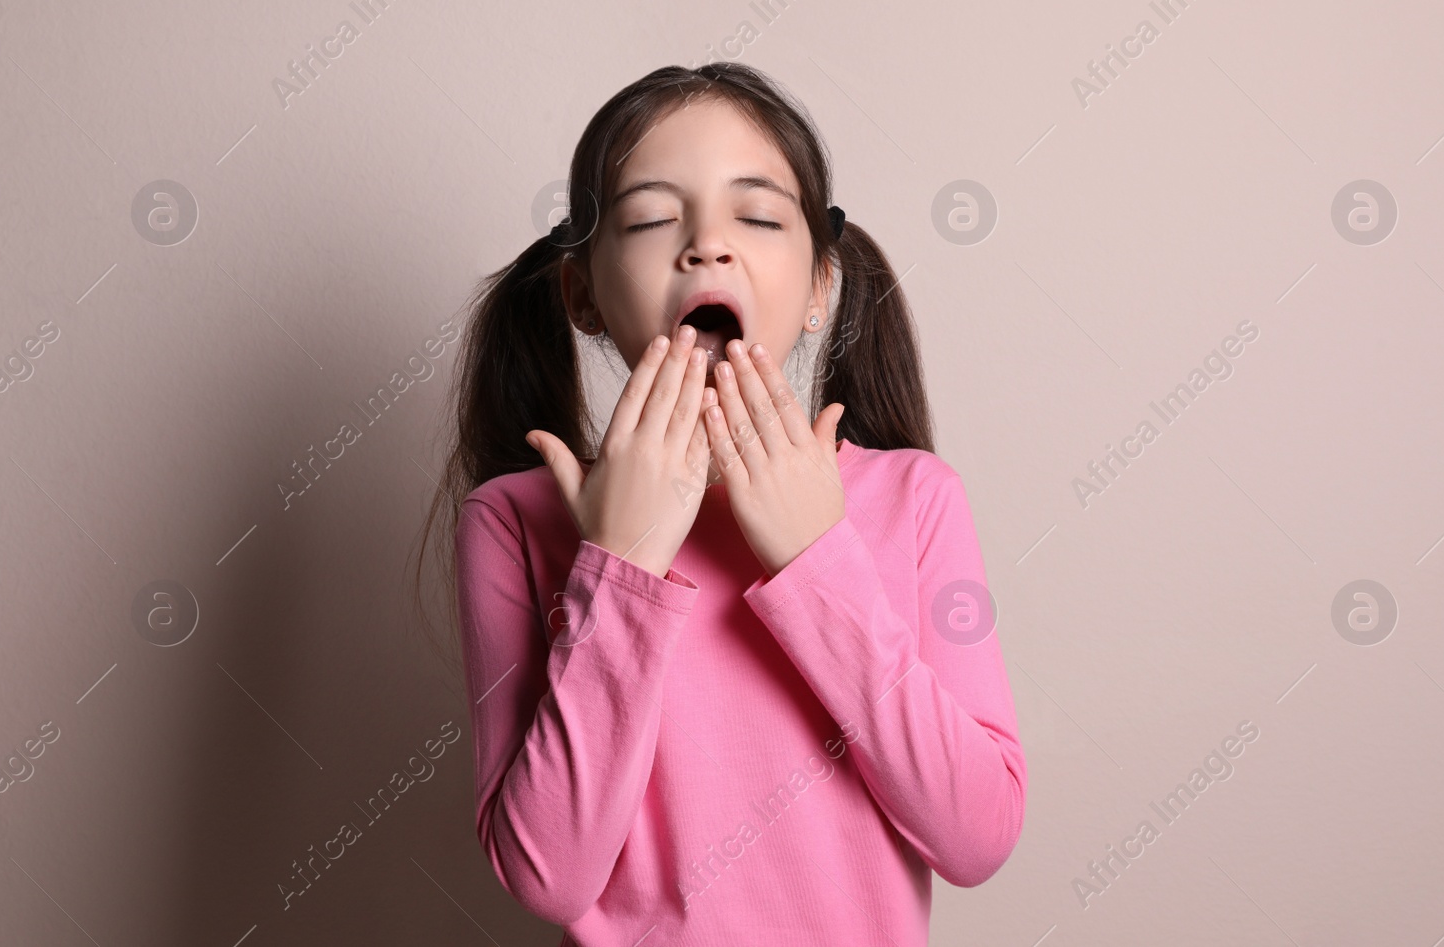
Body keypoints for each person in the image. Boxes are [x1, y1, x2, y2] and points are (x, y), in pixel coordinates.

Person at [414, 62, 1025, 945]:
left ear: (821, 287)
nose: (707, 246)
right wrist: (619, 569)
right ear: (582, 294)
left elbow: (976, 837)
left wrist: (818, 561)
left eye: (761, 216)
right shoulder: (515, 519)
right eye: (654, 218)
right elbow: (548, 875)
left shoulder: (916, 498)